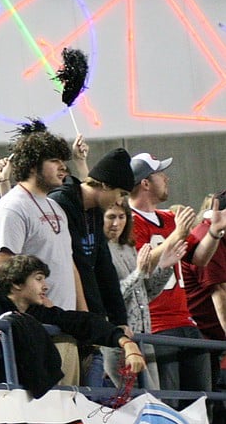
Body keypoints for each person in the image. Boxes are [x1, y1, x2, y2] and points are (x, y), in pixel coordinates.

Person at [0, 255, 146, 397]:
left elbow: (81, 321)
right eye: (38, 279)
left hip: (15, 395)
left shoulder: (36, 312)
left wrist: (125, 342)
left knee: (67, 340)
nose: (46, 286)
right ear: (17, 283)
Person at [0, 122, 85, 384]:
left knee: (70, 419)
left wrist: (82, 314)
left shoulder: (56, 207)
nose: (64, 167)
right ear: (31, 166)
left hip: (64, 330)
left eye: (63, 160)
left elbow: (68, 262)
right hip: (36, 333)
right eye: (54, 160)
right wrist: (40, 301)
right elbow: (3, 267)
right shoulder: (11, 208)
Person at [128, 152, 226, 400]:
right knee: (170, 403)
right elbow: (144, 266)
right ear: (145, 183)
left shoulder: (169, 218)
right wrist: (177, 235)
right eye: (160, 173)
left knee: (203, 403)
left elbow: (198, 259)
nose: (167, 178)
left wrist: (213, 233)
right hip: (156, 326)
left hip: (185, 321)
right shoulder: (129, 221)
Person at [49, 147, 135, 385]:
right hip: (67, 318)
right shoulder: (62, 203)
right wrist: (92, 319)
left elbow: (103, 268)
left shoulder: (95, 212)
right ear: (105, 186)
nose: (119, 202)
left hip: (88, 322)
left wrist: (119, 319)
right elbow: (75, 264)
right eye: (120, 193)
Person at [103, 198, 183, 390]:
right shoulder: (101, 251)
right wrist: (138, 273)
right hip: (119, 341)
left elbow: (144, 296)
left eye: (121, 217)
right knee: (137, 401)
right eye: (110, 217)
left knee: (154, 399)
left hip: (144, 338)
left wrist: (164, 268)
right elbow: (112, 299)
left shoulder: (128, 247)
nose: (116, 223)